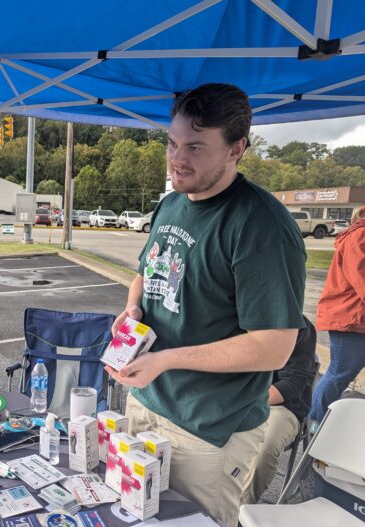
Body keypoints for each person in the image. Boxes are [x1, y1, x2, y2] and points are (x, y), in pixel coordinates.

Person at [105, 83, 306, 527]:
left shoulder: (262, 226)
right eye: (173, 143)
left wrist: (166, 359)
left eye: (195, 147)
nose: (178, 159)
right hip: (145, 402)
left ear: (237, 149)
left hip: (210, 429)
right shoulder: (171, 204)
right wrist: (133, 308)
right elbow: (146, 269)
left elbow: (274, 347)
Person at [242, 317, 317, 505]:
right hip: (235, 400)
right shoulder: (228, 315)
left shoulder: (300, 327)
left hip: (280, 407)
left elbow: (291, 385)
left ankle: (239, 512)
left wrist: (241, 403)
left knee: (264, 448)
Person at [309, 205, 365, 424]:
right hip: (351, 322)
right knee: (339, 374)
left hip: (356, 321)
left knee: (339, 374)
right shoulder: (359, 237)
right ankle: (314, 426)